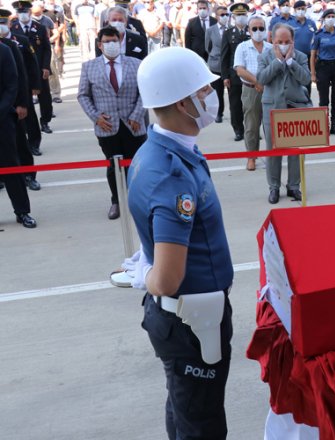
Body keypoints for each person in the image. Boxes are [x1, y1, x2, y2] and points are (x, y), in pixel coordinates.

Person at [129, 46, 234, 440]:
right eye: (203, 91)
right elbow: (169, 279)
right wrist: (150, 275)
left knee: (184, 407)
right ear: (180, 101)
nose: (210, 96)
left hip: (188, 316)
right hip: (193, 318)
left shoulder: (160, 150)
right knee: (201, 425)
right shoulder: (171, 175)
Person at [77, 26, 147, 220]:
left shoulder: (135, 64)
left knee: (137, 165)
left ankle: (139, 200)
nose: (111, 45)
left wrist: (136, 115)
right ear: (100, 45)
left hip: (133, 124)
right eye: (107, 42)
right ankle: (116, 200)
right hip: (107, 126)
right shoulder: (89, 67)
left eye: (114, 41)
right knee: (113, 166)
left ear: (120, 42)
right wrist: (96, 117)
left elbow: (145, 92)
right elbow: (83, 95)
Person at [257, 23, 311, 204]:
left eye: (287, 41)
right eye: (279, 41)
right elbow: (262, 79)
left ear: (292, 41)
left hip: (295, 107)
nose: (283, 44)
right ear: (272, 41)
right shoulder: (265, 57)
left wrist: (290, 62)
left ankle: (293, 186)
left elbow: (306, 78)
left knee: (295, 150)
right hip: (272, 108)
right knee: (273, 150)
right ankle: (273, 187)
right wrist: (279, 62)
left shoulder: (301, 57)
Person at [0, 15, 37, 228]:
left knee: (11, 167)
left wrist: (2, 110)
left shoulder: (5, 50)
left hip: (3, 120)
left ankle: (22, 211)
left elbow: (12, 85)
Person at [235, 14, 271, 172]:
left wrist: (264, 83)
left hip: (270, 90)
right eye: (254, 28)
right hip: (251, 90)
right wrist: (257, 82)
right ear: (249, 30)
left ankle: (273, 156)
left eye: (261, 28)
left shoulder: (271, 48)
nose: (258, 31)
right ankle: (251, 157)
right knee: (251, 126)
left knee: (271, 126)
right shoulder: (242, 47)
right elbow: (239, 69)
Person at [12, 1, 53, 135]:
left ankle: (45, 121)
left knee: (45, 97)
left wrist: (46, 67)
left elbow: (47, 49)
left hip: (40, 69)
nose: (22, 14)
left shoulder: (40, 28)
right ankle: (28, 127)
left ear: (30, 12)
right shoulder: (13, 29)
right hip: (21, 71)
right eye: (20, 12)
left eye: (24, 12)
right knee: (25, 99)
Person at [311, 8, 335, 136]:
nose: (331, 18)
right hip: (323, 67)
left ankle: (334, 125)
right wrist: (313, 73)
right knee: (324, 99)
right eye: (328, 16)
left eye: (333, 16)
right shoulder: (319, 34)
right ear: (324, 19)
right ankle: (324, 125)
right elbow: (313, 55)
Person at [221, 2, 250, 143]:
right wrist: (225, 76)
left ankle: (252, 129)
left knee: (251, 105)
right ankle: (238, 130)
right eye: (238, 15)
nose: (241, 17)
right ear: (233, 16)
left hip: (251, 75)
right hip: (234, 76)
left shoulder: (253, 31)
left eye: (243, 14)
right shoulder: (228, 34)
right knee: (235, 105)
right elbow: (224, 56)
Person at [205, 5, 229, 125]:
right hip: (216, 64)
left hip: (229, 64)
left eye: (226, 14)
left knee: (232, 91)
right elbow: (207, 47)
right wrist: (214, 55)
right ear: (217, 16)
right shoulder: (210, 30)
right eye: (222, 15)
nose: (224, 17)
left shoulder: (231, 29)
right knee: (217, 90)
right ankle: (219, 113)